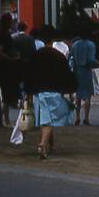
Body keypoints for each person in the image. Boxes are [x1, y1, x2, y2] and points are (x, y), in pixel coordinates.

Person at [23, 29, 76, 159]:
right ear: (52, 41)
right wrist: (70, 91)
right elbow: (66, 75)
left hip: (40, 92)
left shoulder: (36, 55)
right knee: (50, 120)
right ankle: (43, 143)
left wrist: (28, 92)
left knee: (47, 119)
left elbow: (29, 74)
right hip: (55, 91)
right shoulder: (58, 56)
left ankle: (50, 145)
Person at [68, 26, 99, 126]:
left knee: (78, 96)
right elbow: (91, 60)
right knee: (87, 96)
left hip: (77, 71)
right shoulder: (91, 45)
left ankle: (77, 117)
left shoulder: (75, 45)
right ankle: (86, 117)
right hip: (86, 71)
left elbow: (70, 56)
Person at [0, 13, 22, 126]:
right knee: (6, 95)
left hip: (7, 66)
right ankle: (5, 119)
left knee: (7, 95)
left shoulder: (5, 34)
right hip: (5, 68)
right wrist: (11, 59)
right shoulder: (3, 35)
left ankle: (4, 118)